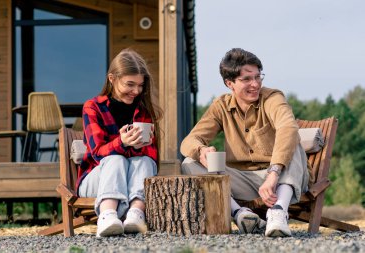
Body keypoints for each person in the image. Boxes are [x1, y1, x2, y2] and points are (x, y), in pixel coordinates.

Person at [180, 48, 309, 237]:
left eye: (258, 77)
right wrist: (201, 150)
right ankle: (240, 214)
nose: (255, 84)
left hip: (281, 178)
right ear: (229, 83)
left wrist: (273, 174)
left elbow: (287, 128)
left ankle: (278, 212)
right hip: (242, 181)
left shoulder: (273, 98)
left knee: (293, 143)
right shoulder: (221, 106)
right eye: (246, 79)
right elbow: (188, 141)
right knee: (189, 163)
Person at [77, 48, 162, 237]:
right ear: (112, 78)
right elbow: (98, 153)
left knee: (145, 161)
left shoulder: (143, 111)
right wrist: (122, 143)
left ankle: (136, 214)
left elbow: (153, 158)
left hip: (130, 181)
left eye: (140, 85)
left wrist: (141, 147)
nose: (136, 91)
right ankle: (107, 216)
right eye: (130, 84)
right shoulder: (93, 107)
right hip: (95, 180)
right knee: (116, 159)